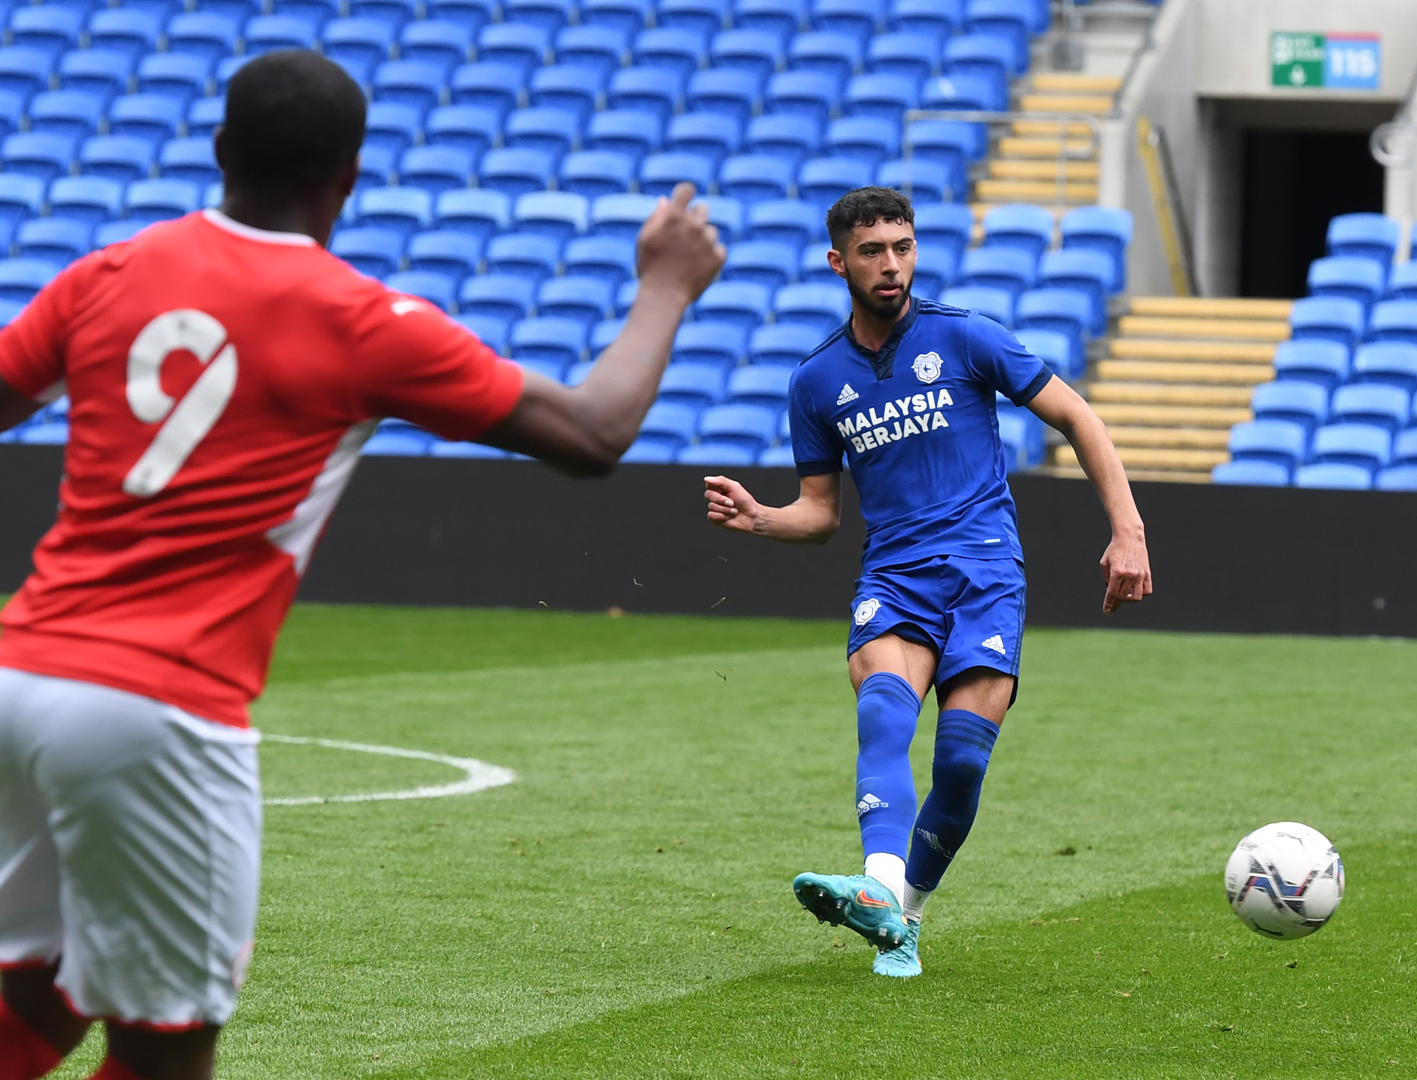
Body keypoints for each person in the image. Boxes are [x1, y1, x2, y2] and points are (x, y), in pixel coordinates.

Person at [0, 51, 724, 1080]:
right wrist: (665, 285)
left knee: (36, 997)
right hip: (158, 711)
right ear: (349, 174)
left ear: (217, 153)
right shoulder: (363, 321)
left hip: (21, 675)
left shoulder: (105, 274)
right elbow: (596, 431)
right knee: (166, 1047)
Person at [703, 187, 1151, 978]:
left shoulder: (966, 337)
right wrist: (759, 519)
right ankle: (876, 886)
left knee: (963, 763)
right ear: (838, 261)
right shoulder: (816, 382)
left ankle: (903, 916)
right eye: (873, 251)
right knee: (883, 709)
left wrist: (1128, 532)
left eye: (903, 247)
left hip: (985, 570)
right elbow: (819, 512)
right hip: (895, 575)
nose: (892, 264)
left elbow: (1079, 417)